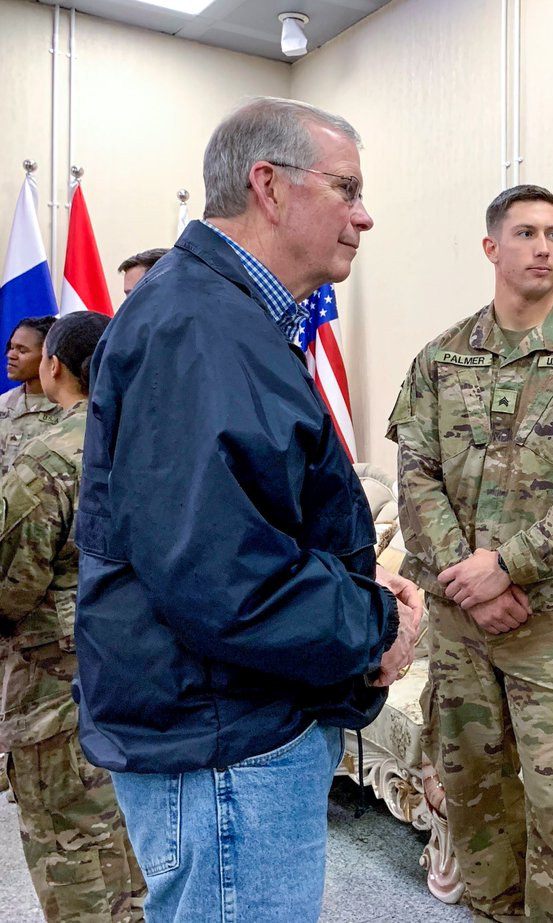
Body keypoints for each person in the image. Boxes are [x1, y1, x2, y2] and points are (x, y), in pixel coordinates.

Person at [73, 97, 422, 923]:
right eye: (347, 188)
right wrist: (377, 623)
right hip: (223, 737)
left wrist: (360, 591)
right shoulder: (201, 328)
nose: (364, 215)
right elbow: (226, 580)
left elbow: (238, 524)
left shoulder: (221, 315)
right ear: (269, 185)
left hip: (223, 722)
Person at [388, 184, 553, 922]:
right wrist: (467, 580)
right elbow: (417, 478)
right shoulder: (440, 359)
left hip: (548, 626)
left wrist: (506, 567)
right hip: (459, 628)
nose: (544, 247)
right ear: (491, 247)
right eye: (527, 233)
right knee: (477, 804)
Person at [1, 311, 147, 923]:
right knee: (131, 830)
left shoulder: (46, 460)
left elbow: (8, 590)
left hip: (58, 687)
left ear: (54, 365)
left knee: (70, 844)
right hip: (147, 674)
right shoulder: (156, 442)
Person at [1, 315, 61, 475]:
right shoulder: (3, 403)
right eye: (11, 347)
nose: (11, 355)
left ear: (47, 356)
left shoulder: (66, 409)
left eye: (22, 350)